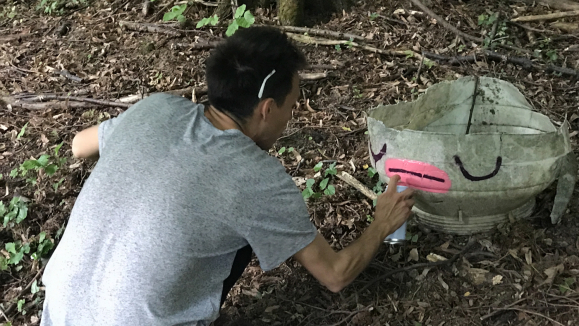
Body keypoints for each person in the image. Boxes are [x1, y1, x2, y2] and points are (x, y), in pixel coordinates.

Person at [40, 26, 414, 326]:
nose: (291, 116)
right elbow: (335, 275)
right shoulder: (257, 179)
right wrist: (381, 224)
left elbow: (77, 145)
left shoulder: (155, 108)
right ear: (267, 108)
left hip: (59, 311)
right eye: (293, 104)